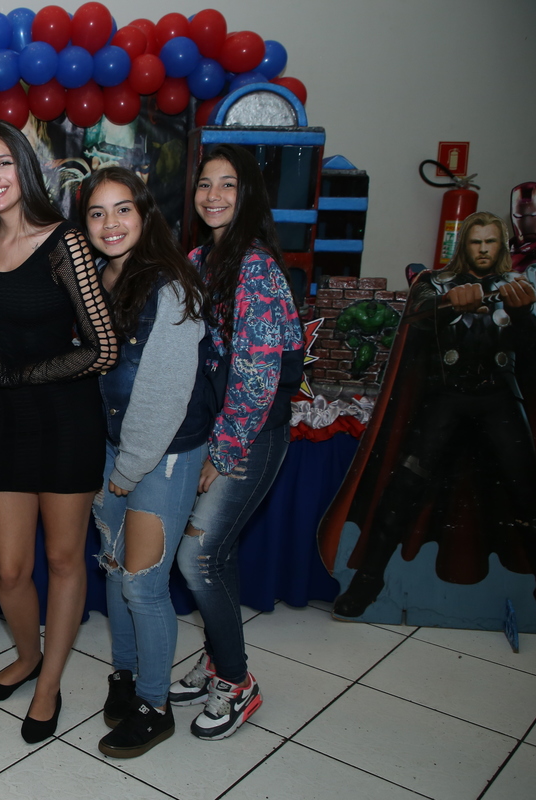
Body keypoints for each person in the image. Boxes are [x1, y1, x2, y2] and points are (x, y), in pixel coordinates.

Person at [0, 119, 118, 744]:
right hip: (6, 424)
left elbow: (103, 348)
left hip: (66, 420)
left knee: (62, 559)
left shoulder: (65, 241)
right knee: (9, 569)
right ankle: (27, 656)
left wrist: (15, 373)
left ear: (25, 168)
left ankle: (50, 682)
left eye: (3, 163)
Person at [325, 211, 536, 618]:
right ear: (464, 245)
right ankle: (367, 582)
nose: (483, 249)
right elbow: (416, 319)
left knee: (527, 492)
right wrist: (446, 302)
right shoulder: (436, 283)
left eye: (490, 242)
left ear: (501, 245)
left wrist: (523, 311)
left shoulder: (521, 284)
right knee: (402, 489)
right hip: (446, 397)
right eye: (476, 242)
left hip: (498, 396)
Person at [167, 144, 303, 741]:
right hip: (218, 429)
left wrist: (222, 454)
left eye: (228, 184)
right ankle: (218, 659)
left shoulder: (256, 268)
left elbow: (256, 375)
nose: (214, 195)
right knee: (216, 556)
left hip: (252, 435)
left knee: (197, 558)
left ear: (247, 194)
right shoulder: (200, 259)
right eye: (205, 184)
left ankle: (237, 682)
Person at [79, 167, 216, 758]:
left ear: (145, 214)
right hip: (113, 447)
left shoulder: (173, 286)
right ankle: (127, 674)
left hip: (164, 452)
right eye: (97, 213)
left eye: (122, 210)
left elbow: (163, 396)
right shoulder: (94, 279)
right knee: (113, 568)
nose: (110, 223)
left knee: (142, 583)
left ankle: (155, 706)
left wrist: (125, 470)